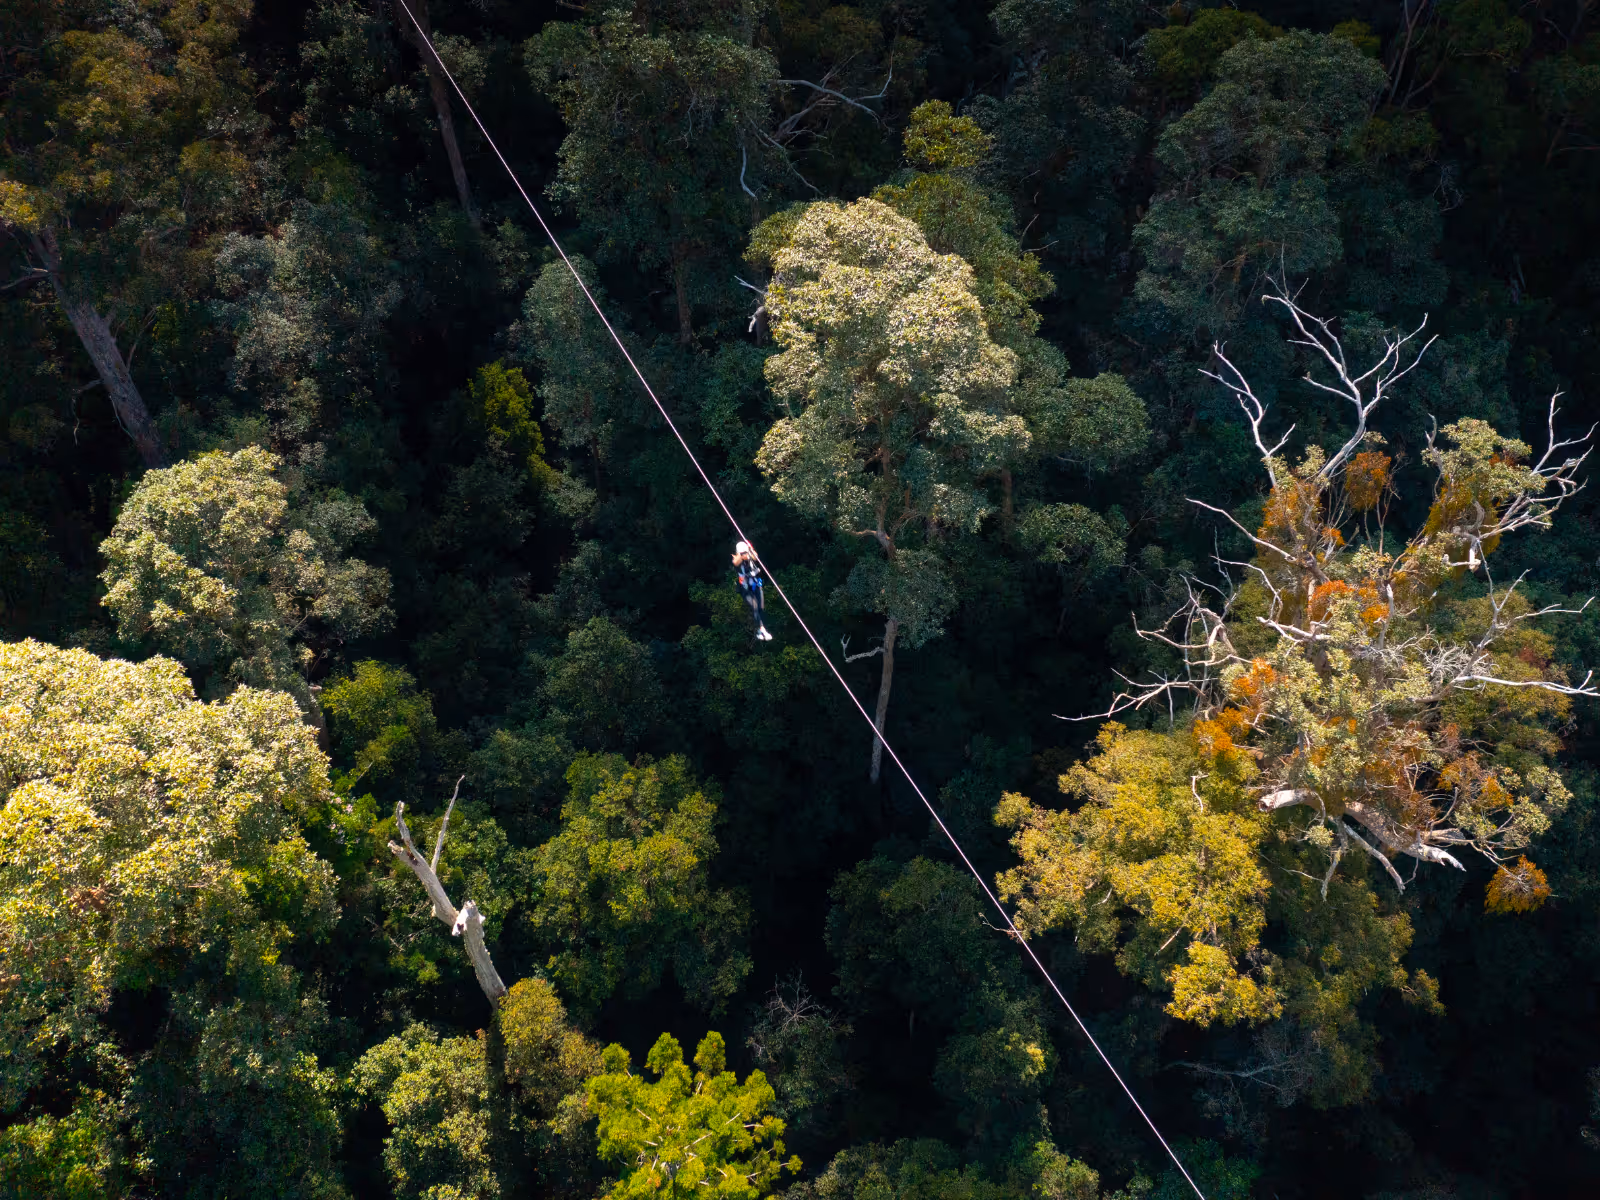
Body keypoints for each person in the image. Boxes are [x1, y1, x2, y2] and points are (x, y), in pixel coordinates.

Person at [733, 540, 772, 641]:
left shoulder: (751, 556)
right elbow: (735, 561)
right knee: (754, 606)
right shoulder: (738, 561)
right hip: (745, 589)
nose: (745, 555)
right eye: (742, 553)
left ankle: (761, 630)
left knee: (761, 607)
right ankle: (762, 629)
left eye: (746, 552)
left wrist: (750, 548)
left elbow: (756, 556)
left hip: (756, 585)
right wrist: (741, 555)